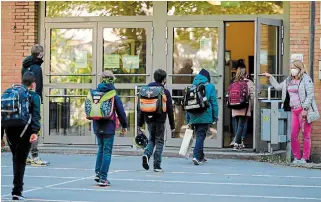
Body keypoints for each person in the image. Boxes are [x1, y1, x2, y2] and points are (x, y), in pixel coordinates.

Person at [263, 60, 320, 164]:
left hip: (303, 110)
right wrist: (270, 77)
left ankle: (305, 158)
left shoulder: (306, 79)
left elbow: (310, 95)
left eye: (294, 68)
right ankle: (297, 158)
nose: (292, 70)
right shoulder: (288, 80)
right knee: (293, 135)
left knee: (306, 134)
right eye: (291, 68)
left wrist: (306, 109)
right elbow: (278, 87)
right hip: (294, 110)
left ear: (299, 68)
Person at [4, 72, 41, 200]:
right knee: (20, 161)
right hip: (25, 131)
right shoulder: (34, 96)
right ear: (33, 84)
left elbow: (3, 113)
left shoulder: (10, 92)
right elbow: (36, 115)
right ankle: (17, 191)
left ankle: (17, 189)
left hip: (10, 130)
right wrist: (35, 132)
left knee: (16, 158)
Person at [92, 71, 128, 186]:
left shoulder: (95, 93)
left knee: (101, 149)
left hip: (97, 125)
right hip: (108, 127)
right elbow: (121, 112)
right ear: (112, 80)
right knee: (107, 151)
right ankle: (103, 178)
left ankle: (98, 173)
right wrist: (125, 125)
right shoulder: (113, 94)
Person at [138, 69, 175, 172]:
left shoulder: (145, 91)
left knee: (151, 139)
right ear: (164, 79)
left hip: (148, 119)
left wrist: (139, 123)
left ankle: (146, 154)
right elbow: (170, 110)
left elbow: (140, 108)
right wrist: (172, 126)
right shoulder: (165, 92)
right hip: (160, 119)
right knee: (159, 141)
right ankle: (157, 165)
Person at [21, 44, 48, 166]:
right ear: (40, 54)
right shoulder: (37, 68)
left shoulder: (25, 66)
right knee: (35, 127)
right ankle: (35, 157)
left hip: (24, 98)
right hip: (33, 99)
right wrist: (37, 99)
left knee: (26, 127)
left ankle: (25, 156)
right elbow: (36, 85)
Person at [186, 69, 218, 165]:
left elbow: (187, 104)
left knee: (200, 135)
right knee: (200, 135)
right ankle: (196, 156)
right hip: (205, 115)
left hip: (193, 115)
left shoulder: (192, 87)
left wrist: (188, 119)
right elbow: (214, 103)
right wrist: (215, 117)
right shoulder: (210, 86)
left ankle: (201, 156)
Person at [229, 68, 254, 151]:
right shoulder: (249, 83)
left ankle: (239, 143)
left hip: (235, 106)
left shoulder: (233, 83)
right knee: (241, 125)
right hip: (244, 106)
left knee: (238, 124)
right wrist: (252, 107)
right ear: (246, 75)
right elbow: (253, 96)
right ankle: (236, 143)